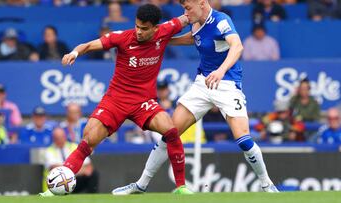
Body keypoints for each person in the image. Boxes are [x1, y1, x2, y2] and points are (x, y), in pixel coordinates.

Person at [113, 0, 279, 194]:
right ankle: (141, 185)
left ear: (202, 3)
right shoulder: (196, 21)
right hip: (203, 84)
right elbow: (193, 38)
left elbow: (237, 46)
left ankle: (267, 184)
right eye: (183, 8)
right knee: (170, 133)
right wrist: (161, 40)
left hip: (227, 84)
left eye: (188, 7)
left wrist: (221, 70)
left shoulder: (221, 21)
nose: (185, 12)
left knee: (243, 140)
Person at [39, 4, 191, 196]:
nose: (139, 31)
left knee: (171, 130)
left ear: (155, 28)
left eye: (144, 29)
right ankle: (54, 190)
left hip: (143, 101)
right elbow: (88, 45)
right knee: (89, 140)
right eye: (137, 26)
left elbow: (188, 16)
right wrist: (74, 53)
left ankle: (181, 187)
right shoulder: (122, 37)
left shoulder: (166, 30)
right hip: (116, 100)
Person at [43, 127, 99, 193]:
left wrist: (65, 170)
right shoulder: (49, 151)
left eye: (61, 137)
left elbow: (88, 168)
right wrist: (77, 169)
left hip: (74, 181)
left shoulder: (74, 146)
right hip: (56, 184)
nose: (60, 140)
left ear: (65, 137)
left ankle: (92, 197)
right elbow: (55, 169)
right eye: (57, 138)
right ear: (53, 139)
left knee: (94, 173)